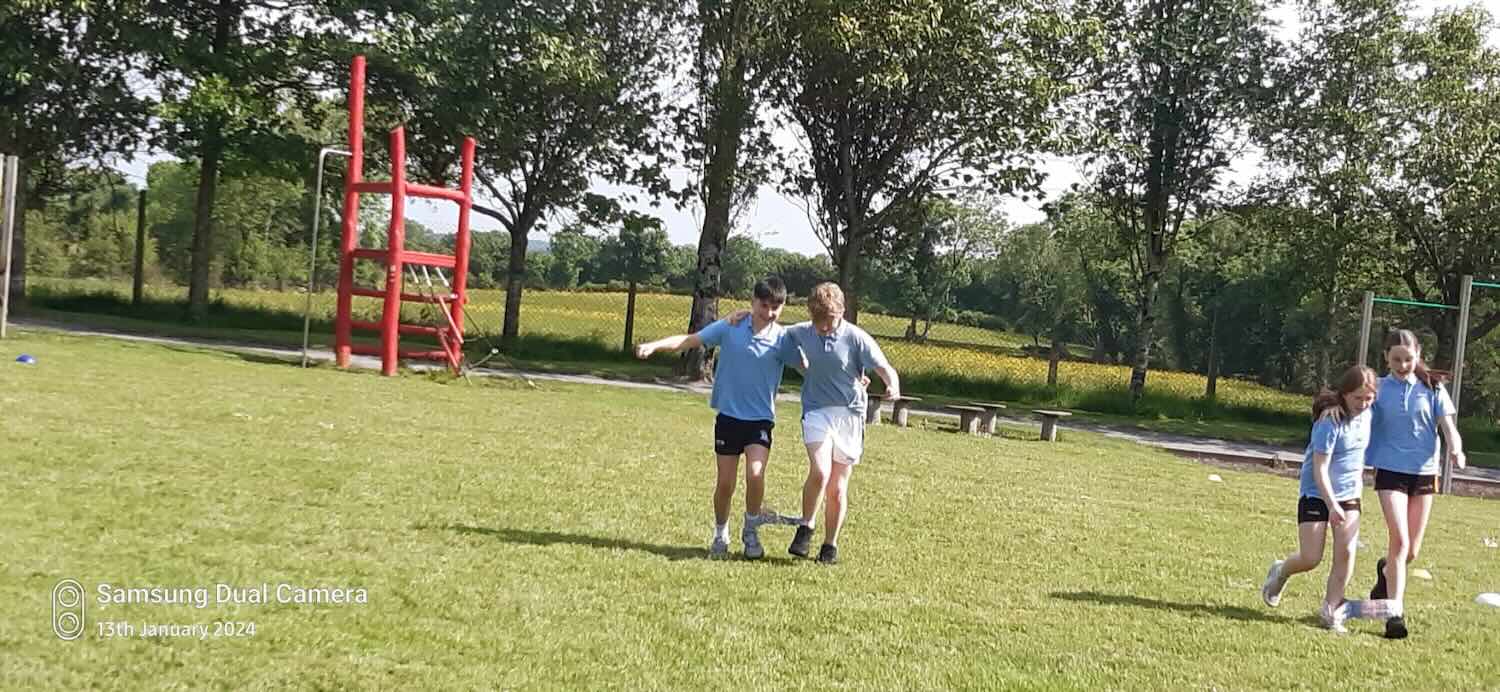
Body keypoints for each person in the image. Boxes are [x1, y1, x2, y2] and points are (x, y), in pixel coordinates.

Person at [634, 277, 805, 559]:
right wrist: (654, 345)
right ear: (753, 301)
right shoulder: (731, 326)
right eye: (764, 305)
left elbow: (808, 368)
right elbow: (691, 340)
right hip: (728, 418)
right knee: (725, 483)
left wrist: (849, 379)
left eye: (776, 307)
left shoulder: (783, 339)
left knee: (756, 473)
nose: (769, 312)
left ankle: (750, 531)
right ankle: (720, 532)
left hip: (760, 421)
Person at [779, 282, 899, 565]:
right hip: (816, 410)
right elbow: (773, 331)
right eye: (817, 320)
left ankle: (829, 545)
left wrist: (892, 386)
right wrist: (741, 318)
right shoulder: (802, 332)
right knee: (820, 471)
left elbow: (885, 368)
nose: (823, 327)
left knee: (837, 487)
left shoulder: (856, 338)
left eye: (829, 320)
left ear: (842, 312)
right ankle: (806, 527)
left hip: (849, 414)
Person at [1261, 365, 1387, 632]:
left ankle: (1331, 610)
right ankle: (1281, 572)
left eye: (1369, 398)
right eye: (1357, 398)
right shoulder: (1329, 422)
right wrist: (1331, 505)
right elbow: (1320, 469)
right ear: (1344, 394)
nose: (1363, 404)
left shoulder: (1369, 414)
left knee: (1346, 552)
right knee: (1311, 558)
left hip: (1350, 494)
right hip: (1317, 493)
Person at [1362, 329, 1466, 639]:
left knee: (1411, 552)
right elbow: (1358, 416)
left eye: (1408, 359)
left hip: (1424, 473)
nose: (1402, 365)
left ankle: (1386, 573)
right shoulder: (1378, 389)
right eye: (1396, 359)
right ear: (1386, 357)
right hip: (1389, 471)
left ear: (1418, 356)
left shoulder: (1432, 387)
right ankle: (1394, 615)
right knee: (1400, 542)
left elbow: (1448, 427)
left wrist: (1456, 449)